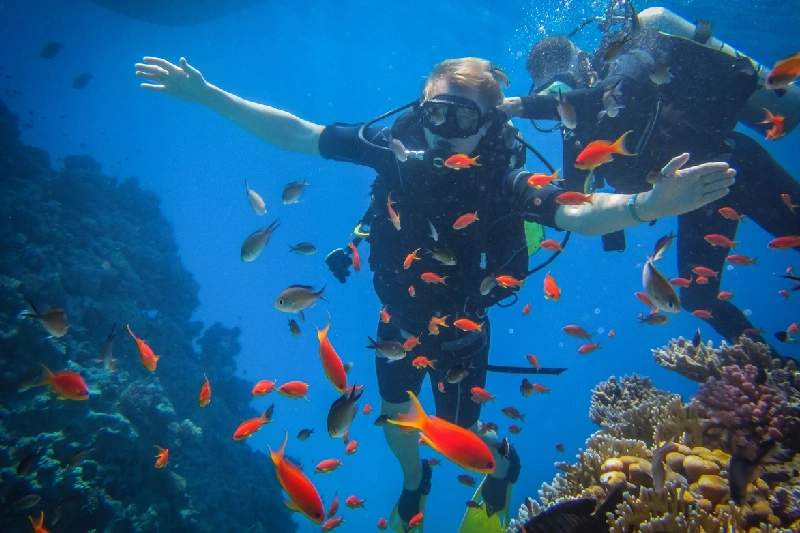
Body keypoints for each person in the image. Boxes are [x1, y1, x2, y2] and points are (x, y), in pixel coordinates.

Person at [134, 55, 735, 531]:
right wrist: (210, 96)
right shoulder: (392, 149)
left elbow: (576, 213)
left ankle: (502, 465)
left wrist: (646, 204)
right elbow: (300, 134)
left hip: (463, 334)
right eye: (435, 114)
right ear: (419, 109)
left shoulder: (504, 178)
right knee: (399, 424)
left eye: (463, 120)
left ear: (491, 124)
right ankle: (411, 487)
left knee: (461, 445)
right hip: (396, 322)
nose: (444, 132)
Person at [501, 6, 800, 355]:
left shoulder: (626, 59)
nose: (560, 104)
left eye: (559, 90)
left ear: (580, 62)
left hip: (738, 163)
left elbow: (603, 94)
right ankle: (776, 373)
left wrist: (519, 106)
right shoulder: (578, 131)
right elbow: (576, 197)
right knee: (697, 296)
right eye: (551, 91)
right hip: (697, 194)